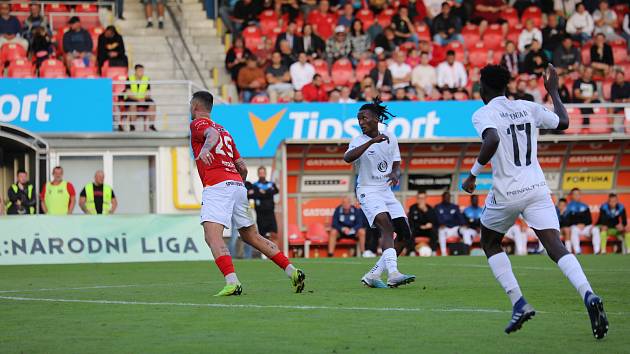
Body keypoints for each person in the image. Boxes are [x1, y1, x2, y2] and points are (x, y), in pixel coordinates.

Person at [461, 64, 608, 338]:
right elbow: (563, 123)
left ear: (484, 87)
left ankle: (518, 302)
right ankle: (588, 293)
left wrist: (472, 174)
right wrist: (552, 91)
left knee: (490, 242)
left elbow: (491, 138)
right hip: (537, 187)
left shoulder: (483, 113)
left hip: (507, 191)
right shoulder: (528, 106)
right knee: (555, 245)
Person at [189, 91, 305, 296]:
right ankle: (292, 270)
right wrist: (237, 186)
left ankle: (232, 281)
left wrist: (206, 150)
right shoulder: (225, 131)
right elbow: (242, 167)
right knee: (252, 236)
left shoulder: (198, 124)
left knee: (212, 236)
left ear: (195, 107)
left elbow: (211, 136)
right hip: (237, 185)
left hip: (217, 186)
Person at [344, 98, 416, 288]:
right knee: (385, 226)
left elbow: (397, 163)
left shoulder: (390, 137)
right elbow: (347, 157)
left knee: (404, 233)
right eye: (358, 119)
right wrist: (371, 142)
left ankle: (373, 275)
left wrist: (395, 173)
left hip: (386, 191)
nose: (361, 123)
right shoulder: (358, 140)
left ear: (376, 119)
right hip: (367, 191)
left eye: (364, 118)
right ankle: (393, 273)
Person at [567, 188, 600, 255]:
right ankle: (577, 251)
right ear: (572, 196)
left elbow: (589, 220)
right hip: (575, 227)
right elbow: (568, 220)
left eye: (578, 194)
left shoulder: (585, 206)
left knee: (596, 229)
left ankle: (597, 251)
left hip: (586, 227)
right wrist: (577, 224)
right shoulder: (568, 207)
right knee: (574, 230)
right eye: (575, 194)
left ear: (580, 195)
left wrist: (583, 224)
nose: (576, 196)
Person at [124, 64, 157, 132]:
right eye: (139, 70)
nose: (141, 72)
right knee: (133, 105)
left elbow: (148, 93)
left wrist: (144, 98)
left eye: (142, 70)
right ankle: (132, 126)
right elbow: (128, 93)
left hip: (143, 99)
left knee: (152, 104)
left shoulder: (146, 79)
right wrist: (137, 99)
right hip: (132, 99)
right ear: (135, 71)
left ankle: (151, 125)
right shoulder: (129, 79)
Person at [251, 166, 279, 241]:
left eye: (263, 173)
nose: (262, 174)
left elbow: (276, 191)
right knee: (262, 236)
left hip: (270, 213)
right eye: (260, 173)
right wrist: (265, 193)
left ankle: (274, 251)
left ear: (266, 174)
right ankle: (263, 252)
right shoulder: (254, 185)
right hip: (260, 214)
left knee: (273, 234)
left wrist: (263, 193)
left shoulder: (271, 184)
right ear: (258, 174)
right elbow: (252, 195)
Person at [435, 191, 465, 256]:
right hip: (445, 229)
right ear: (442, 198)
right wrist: (440, 224)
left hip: (455, 229)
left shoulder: (455, 207)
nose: (447, 198)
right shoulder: (438, 207)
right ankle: (444, 253)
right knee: (441, 231)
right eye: (445, 197)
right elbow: (436, 219)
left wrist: (464, 224)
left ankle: (466, 250)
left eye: (448, 197)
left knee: (465, 231)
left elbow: (460, 218)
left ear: (450, 198)